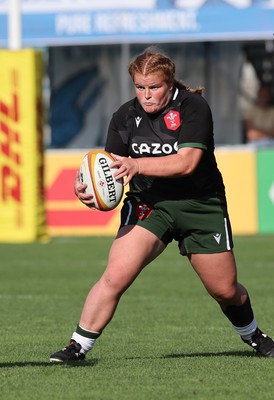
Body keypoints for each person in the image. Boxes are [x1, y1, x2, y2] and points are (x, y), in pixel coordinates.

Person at [50, 47, 274, 363]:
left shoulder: (194, 107)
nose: (147, 95)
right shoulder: (124, 117)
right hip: (149, 204)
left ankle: (254, 336)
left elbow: (187, 163)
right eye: (140, 88)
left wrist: (137, 165)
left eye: (154, 87)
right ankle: (76, 347)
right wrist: (85, 188)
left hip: (200, 204)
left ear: (169, 84)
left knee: (224, 290)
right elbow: (109, 170)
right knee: (116, 275)